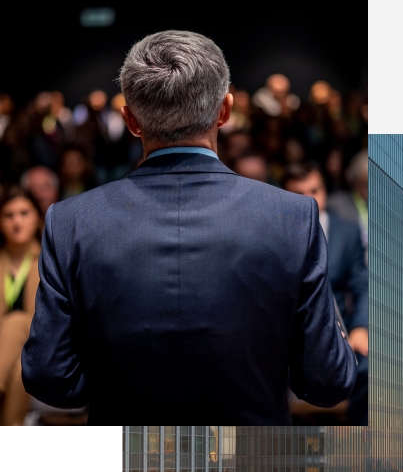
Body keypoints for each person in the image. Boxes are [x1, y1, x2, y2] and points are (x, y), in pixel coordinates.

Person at [22, 30, 356, 426]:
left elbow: (48, 376)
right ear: (225, 110)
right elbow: (328, 381)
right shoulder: (292, 216)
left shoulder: (70, 221)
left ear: (130, 120)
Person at [283, 162, 368, 425]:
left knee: (375, 373)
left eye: (315, 190)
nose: (310, 199)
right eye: (299, 194)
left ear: (324, 190)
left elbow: (361, 284)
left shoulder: (347, 230)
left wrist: (360, 327)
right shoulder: (276, 232)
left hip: (339, 334)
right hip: (290, 339)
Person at [0, 185, 42, 425]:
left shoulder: (51, 261)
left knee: (16, 321)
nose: (17, 222)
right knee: (18, 369)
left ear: (38, 218)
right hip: (13, 354)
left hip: (39, 345)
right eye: (9, 215)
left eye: (24, 213)